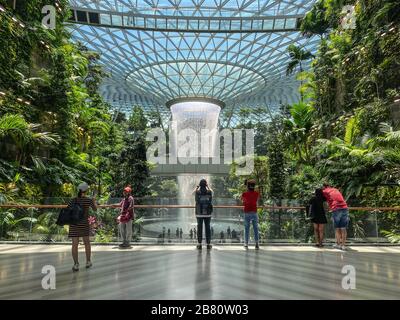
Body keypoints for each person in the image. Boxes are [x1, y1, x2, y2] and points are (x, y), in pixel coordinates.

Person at [68, 182, 97, 272]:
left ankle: (76, 264)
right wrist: (94, 200)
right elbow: (95, 209)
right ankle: (88, 262)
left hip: (74, 224)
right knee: (87, 243)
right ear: (86, 190)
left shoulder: (73, 200)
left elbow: (68, 210)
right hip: (84, 223)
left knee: (74, 244)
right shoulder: (88, 200)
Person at [322, 183, 349, 250]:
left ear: (324, 187)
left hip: (336, 209)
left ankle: (338, 244)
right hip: (345, 208)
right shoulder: (336, 189)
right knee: (343, 228)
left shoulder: (325, 191)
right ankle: (343, 246)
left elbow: (319, 196)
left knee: (337, 228)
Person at [193, 179, 213, 250]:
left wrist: (197, 187)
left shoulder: (197, 192)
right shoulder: (209, 191)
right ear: (206, 185)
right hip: (207, 213)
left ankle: (199, 243)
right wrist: (208, 187)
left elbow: (195, 199)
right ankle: (208, 244)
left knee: (199, 227)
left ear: (200, 185)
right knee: (207, 227)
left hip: (199, 213)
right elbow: (211, 199)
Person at [241, 179, 260, 249]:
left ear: (247, 186)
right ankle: (257, 243)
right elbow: (257, 200)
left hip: (247, 212)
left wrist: (245, 188)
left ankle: (246, 243)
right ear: (254, 187)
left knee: (246, 228)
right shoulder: (256, 194)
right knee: (255, 228)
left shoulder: (244, 194)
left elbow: (242, 201)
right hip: (254, 212)